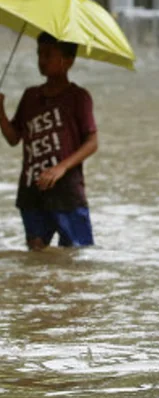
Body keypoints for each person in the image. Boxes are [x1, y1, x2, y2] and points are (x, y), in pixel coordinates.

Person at [0, 33, 98, 251]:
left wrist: (60, 168)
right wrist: (1, 114)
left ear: (68, 60)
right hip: (31, 189)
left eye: (48, 55)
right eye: (39, 54)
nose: (41, 61)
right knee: (36, 254)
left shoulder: (78, 97)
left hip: (67, 193)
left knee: (76, 253)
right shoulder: (30, 96)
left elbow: (92, 142)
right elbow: (14, 138)